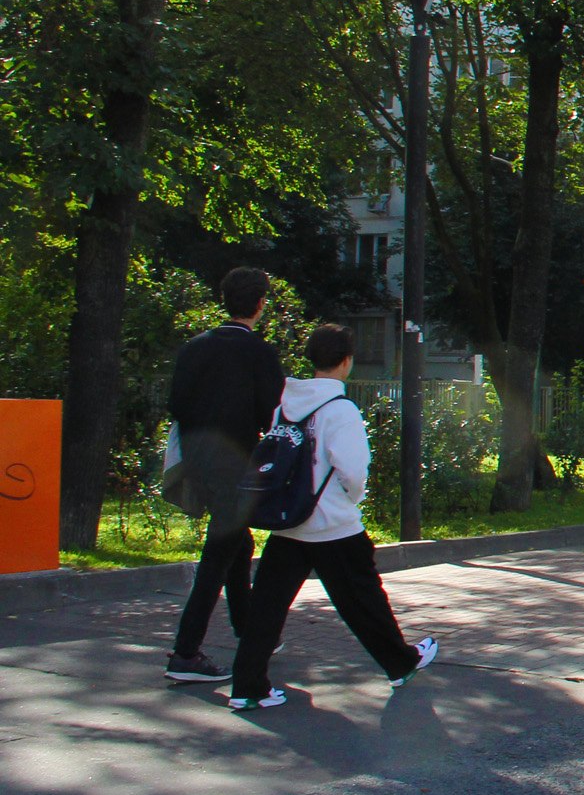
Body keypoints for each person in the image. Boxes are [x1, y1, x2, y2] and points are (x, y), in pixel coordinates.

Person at [226, 324, 438, 712]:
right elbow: (353, 471)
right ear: (346, 361)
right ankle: (400, 662)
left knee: (267, 607)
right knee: (363, 599)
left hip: (289, 522)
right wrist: (349, 501)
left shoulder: (285, 405)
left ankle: (247, 686)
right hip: (333, 524)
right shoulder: (340, 409)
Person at [163, 268, 286, 683]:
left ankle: (249, 630)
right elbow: (272, 412)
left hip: (198, 459)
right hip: (238, 463)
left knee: (237, 542)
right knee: (218, 555)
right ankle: (186, 652)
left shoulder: (194, 347)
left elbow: (176, 404)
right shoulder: (259, 353)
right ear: (260, 304)